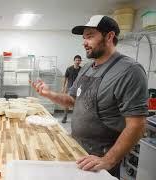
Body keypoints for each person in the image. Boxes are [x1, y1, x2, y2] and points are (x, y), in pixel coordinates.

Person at [30, 15, 147, 179]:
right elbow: (72, 100)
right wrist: (48, 94)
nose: (84, 42)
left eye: (90, 36)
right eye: (84, 37)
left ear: (109, 36)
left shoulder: (129, 70)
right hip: (76, 149)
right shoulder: (86, 68)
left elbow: (137, 125)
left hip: (101, 158)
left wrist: (108, 160)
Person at [61, 55, 82, 123]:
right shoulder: (69, 69)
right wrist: (63, 87)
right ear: (74, 61)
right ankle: (65, 117)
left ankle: (75, 118)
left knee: (76, 104)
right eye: (76, 60)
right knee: (67, 103)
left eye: (79, 60)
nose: (78, 61)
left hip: (78, 89)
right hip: (70, 88)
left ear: (80, 61)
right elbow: (65, 78)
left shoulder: (82, 70)